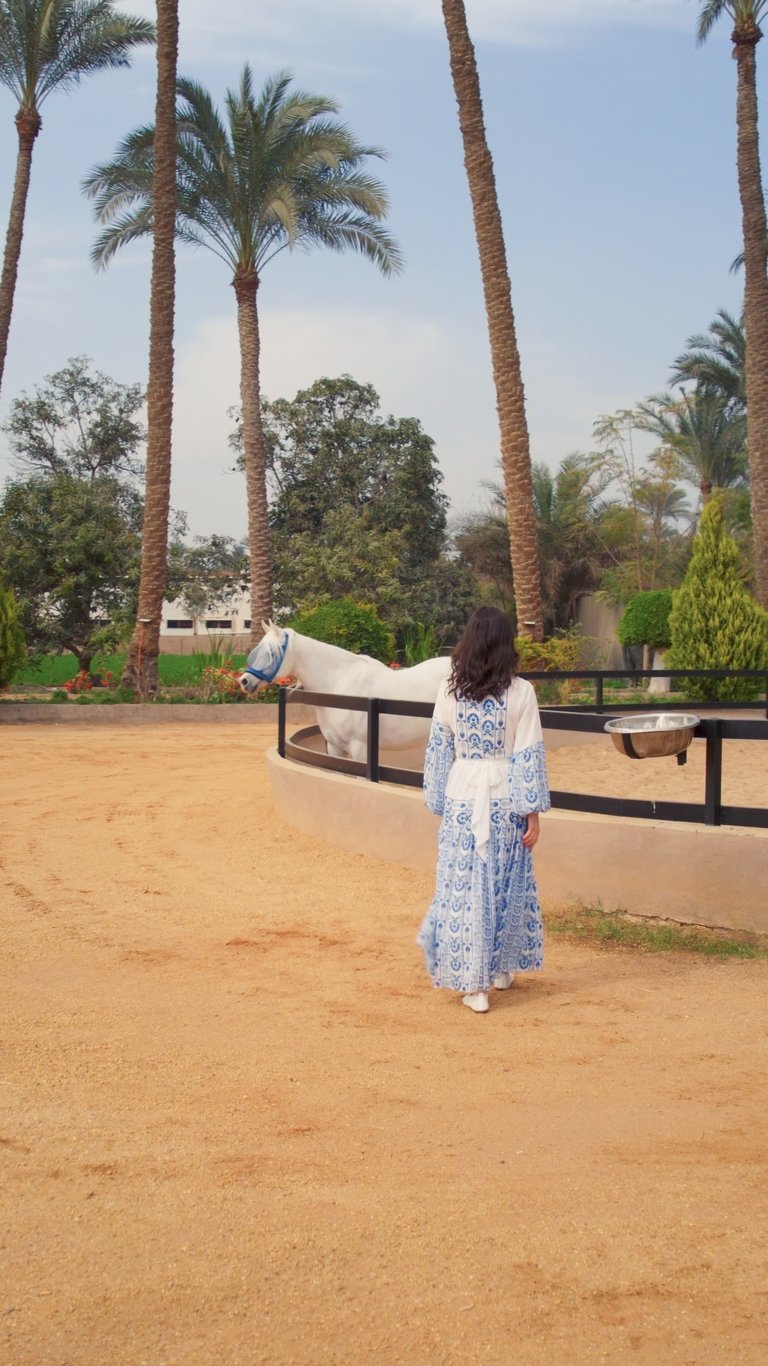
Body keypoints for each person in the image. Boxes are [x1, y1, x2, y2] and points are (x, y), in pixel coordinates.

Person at [417, 606, 550, 1014]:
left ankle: (478, 985)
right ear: (507, 643)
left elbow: (439, 747)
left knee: (466, 887)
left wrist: (438, 799)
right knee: (506, 881)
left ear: (469, 641)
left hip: (462, 794)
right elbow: (527, 754)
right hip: (505, 796)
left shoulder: (449, 690)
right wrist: (532, 812)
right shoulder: (521, 691)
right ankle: (499, 969)